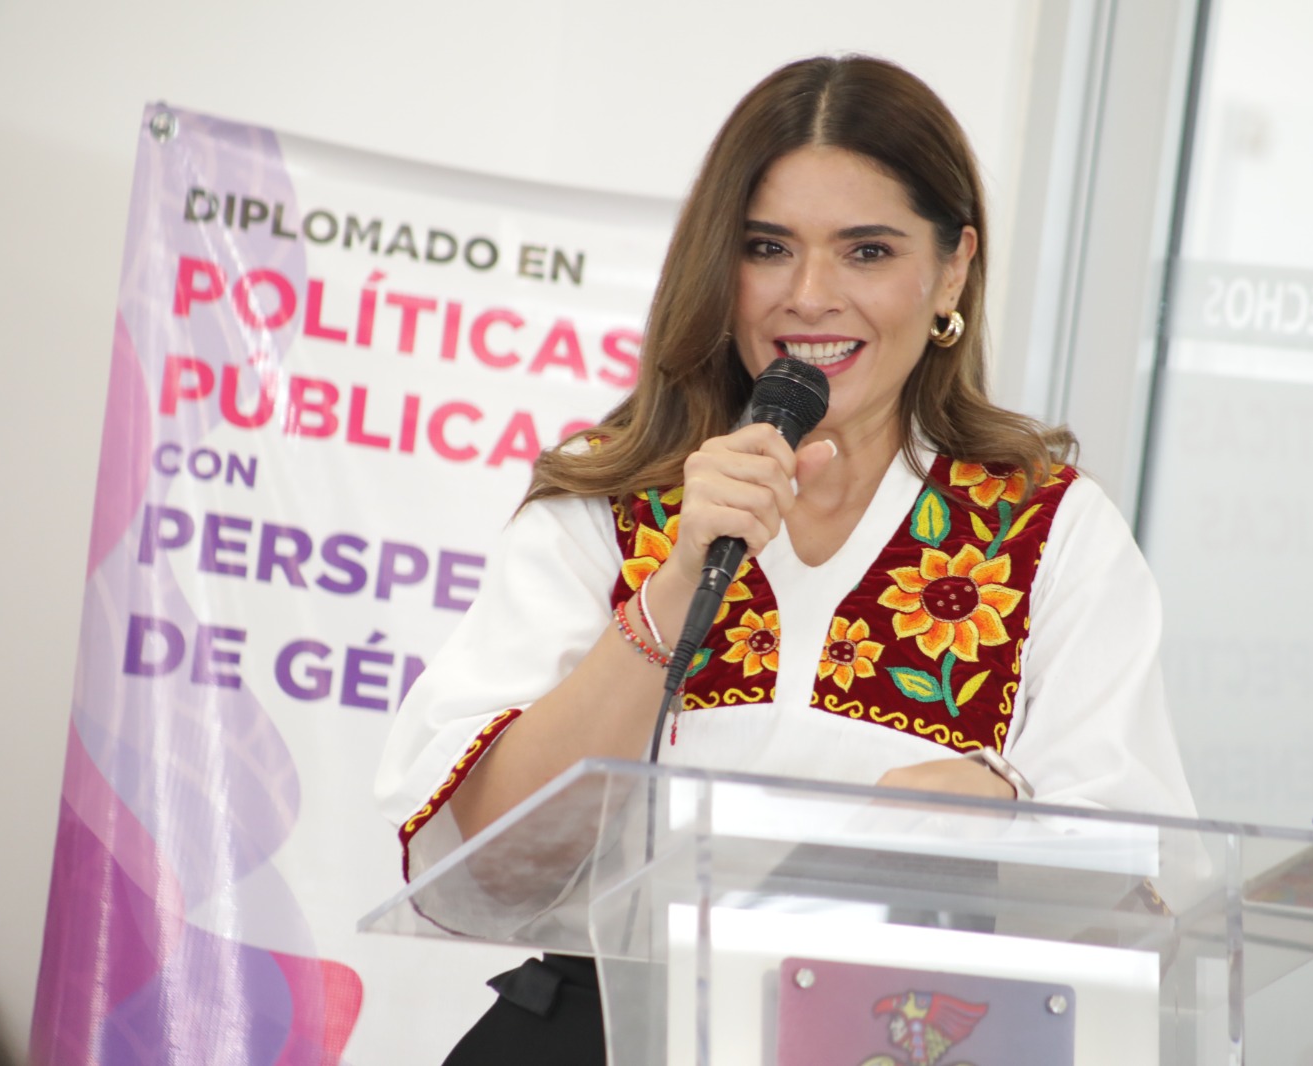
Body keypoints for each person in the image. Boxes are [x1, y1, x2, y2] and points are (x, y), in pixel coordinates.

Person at [376, 54, 1195, 1065]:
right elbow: (494, 868)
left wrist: (1003, 814)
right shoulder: (609, 501)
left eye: (866, 251)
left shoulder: (1048, 528)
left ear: (951, 269)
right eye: (768, 248)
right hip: (600, 1031)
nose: (809, 297)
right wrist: (673, 589)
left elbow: (1140, 899)